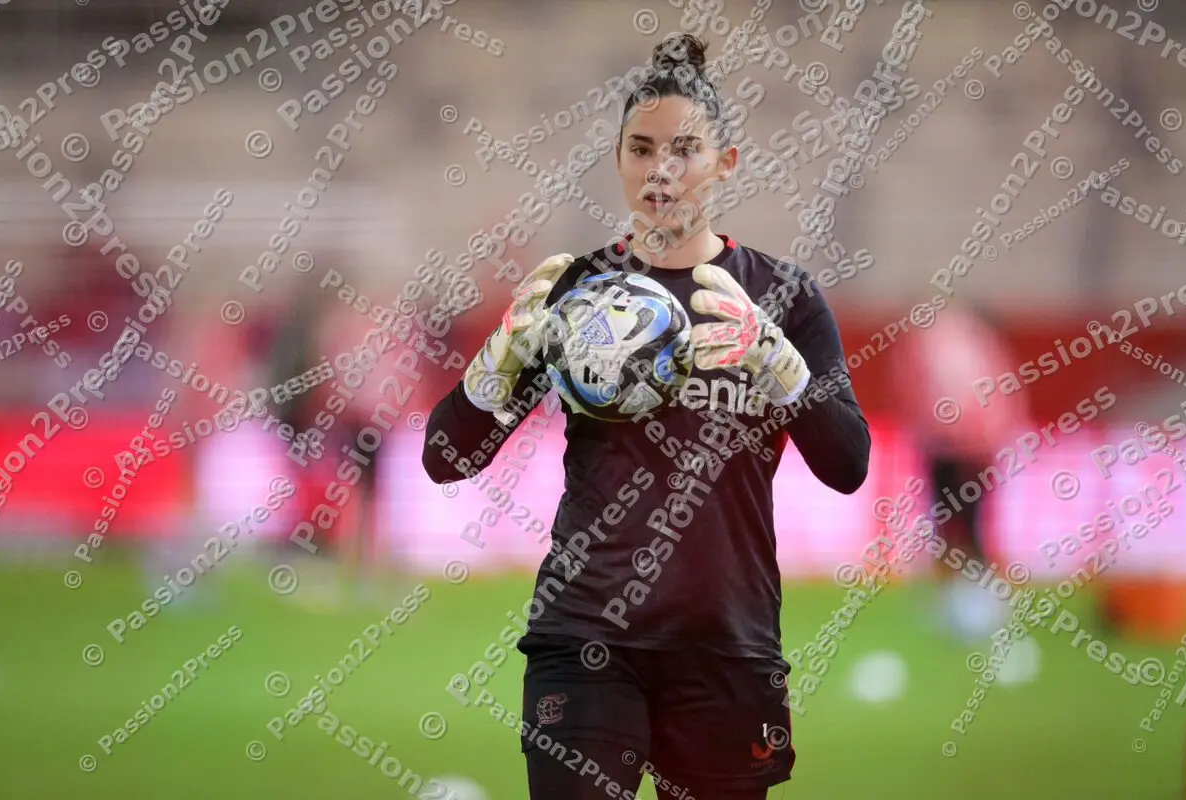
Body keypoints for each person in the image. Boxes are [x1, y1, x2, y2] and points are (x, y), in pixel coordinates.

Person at [421, 35, 870, 799]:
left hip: (727, 644)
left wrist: (783, 368)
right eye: (642, 148)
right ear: (619, 158)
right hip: (586, 637)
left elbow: (848, 466)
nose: (662, 169)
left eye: (686, 149)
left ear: (727, 162)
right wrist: (493, 369)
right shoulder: (575, 293)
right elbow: (446, 458)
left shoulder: (782, 297)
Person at [890, 295, 1031, 640]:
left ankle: (966, 603)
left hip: (951, 445)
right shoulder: (977, 342)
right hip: (973, 446)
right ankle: (978, 603)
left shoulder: (938, 342)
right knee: (970, 524)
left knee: (953, 525)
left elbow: (920, 391)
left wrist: (940, 431)